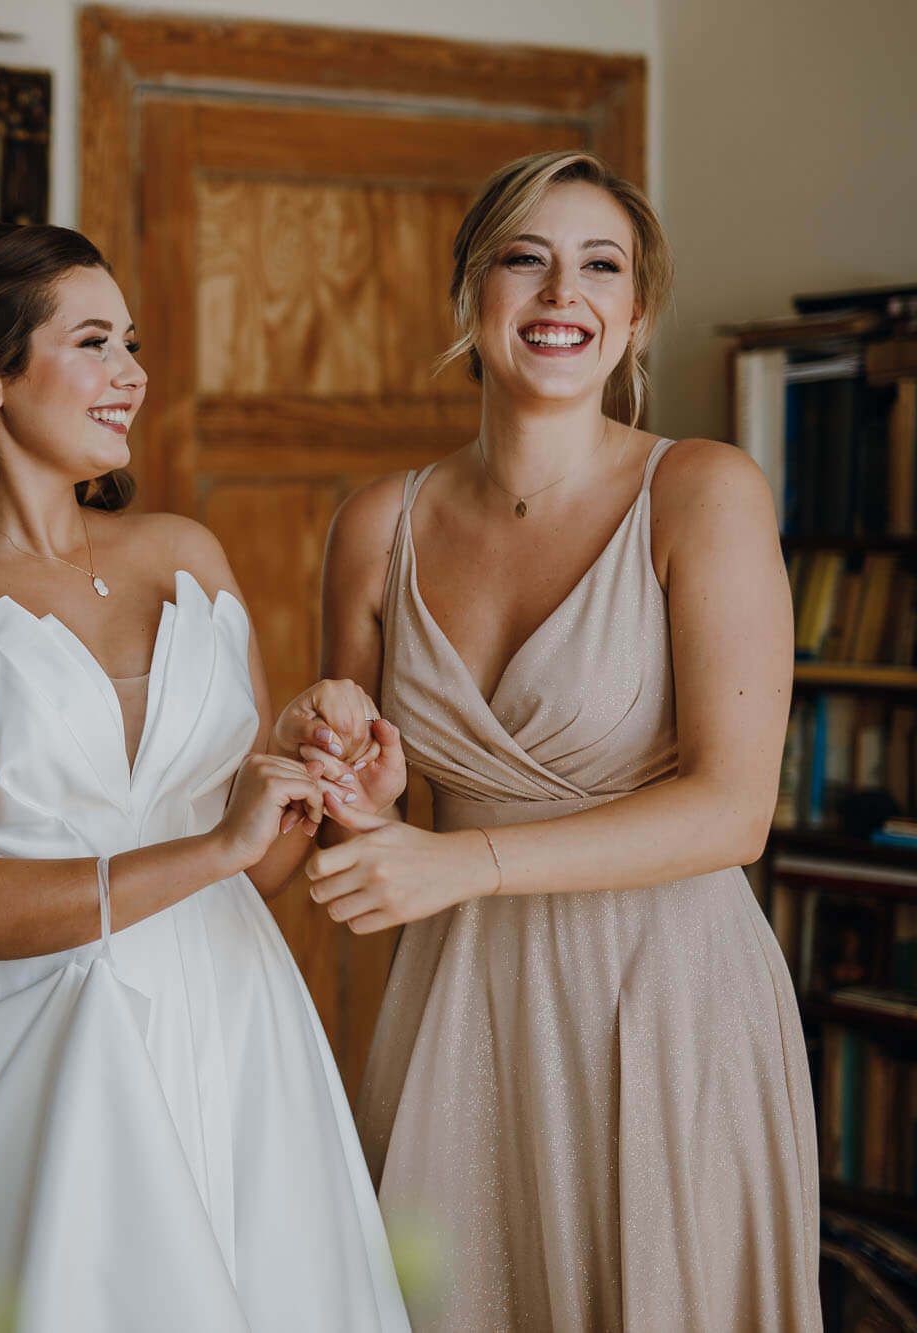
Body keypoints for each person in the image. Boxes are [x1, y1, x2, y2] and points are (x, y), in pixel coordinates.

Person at [0, 222, 410, 1331]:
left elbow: (251, 870)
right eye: (93, 342)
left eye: (132, 343)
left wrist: (322, 772)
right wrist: (215, 845)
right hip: (24, 1043)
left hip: (233, 1020)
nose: (133, 373)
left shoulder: (185, 553)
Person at [303, 150, 818, 1330]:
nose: (559, 294)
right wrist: (359, 801)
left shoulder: (702, 491)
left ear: (635, 312)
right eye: (522, 260)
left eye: (599, 267)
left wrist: (461, 862)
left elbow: (733, 809)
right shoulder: (376, 524)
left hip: (664, 1000)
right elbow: (363, 831)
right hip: (458, 1007)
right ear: (468, 294)